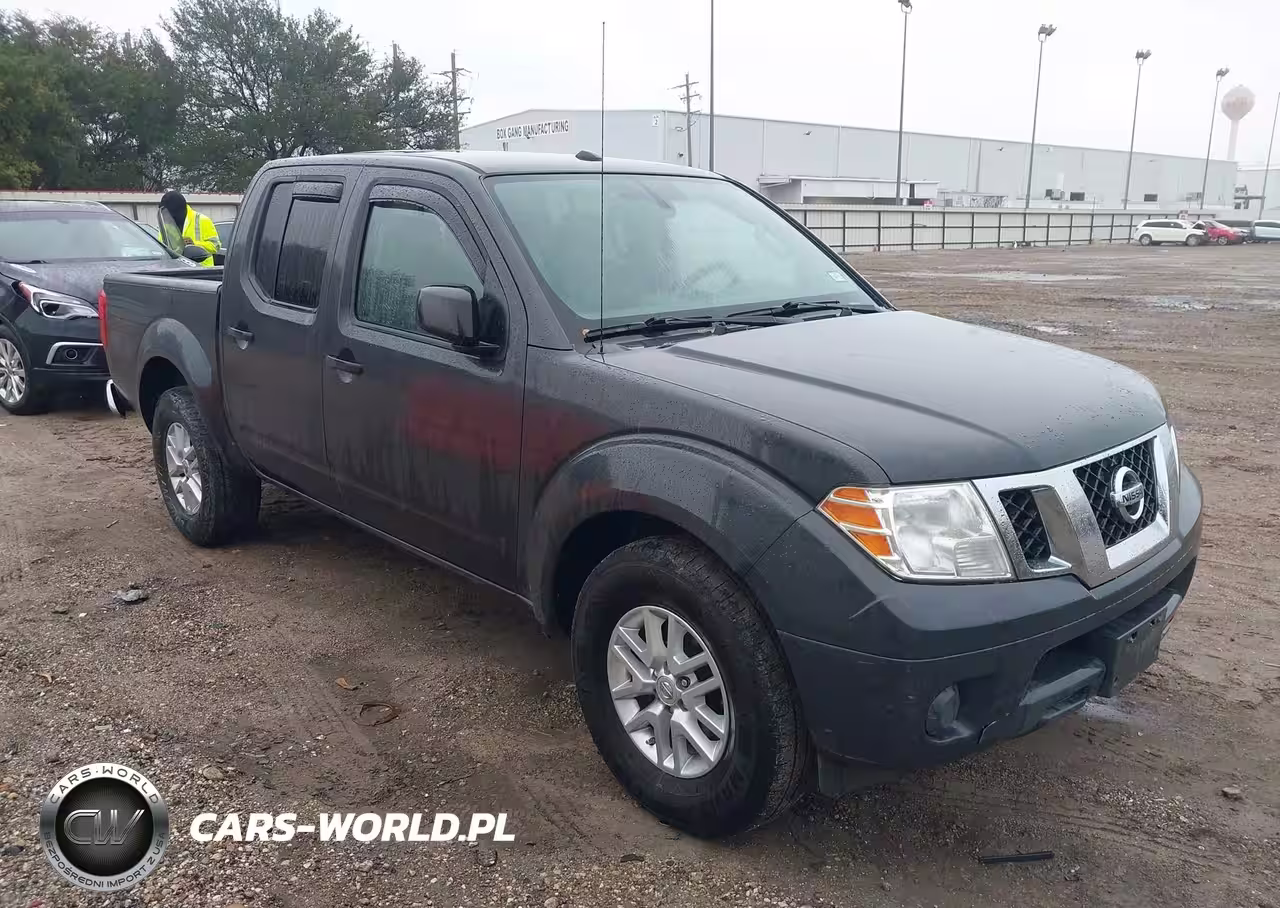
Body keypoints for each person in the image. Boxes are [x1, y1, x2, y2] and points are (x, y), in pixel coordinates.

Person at [158, 190, 221, 266]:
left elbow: (215, 246)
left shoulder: (202, 220)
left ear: (180, 210)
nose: (168, 217)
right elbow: (162, 249)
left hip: (202, 271)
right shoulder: (165, 225)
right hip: (175, 270)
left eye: (170, 213)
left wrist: (194, 245)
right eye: (165, 214)